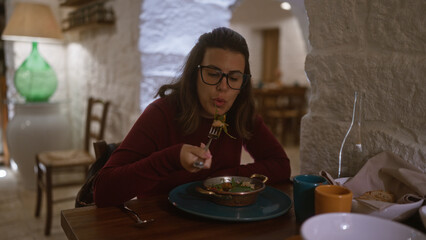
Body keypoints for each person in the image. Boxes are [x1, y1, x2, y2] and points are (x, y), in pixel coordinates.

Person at [94, 27, 291, 207]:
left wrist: (227, 177)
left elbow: (281, 165)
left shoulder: (240, 114)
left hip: (223, 223)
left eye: (233, 78)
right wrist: (172, 158)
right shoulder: (162, 114)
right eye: (213, 74)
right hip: (164, 224)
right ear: (194, 74)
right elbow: (103, 190)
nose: (223, 87)